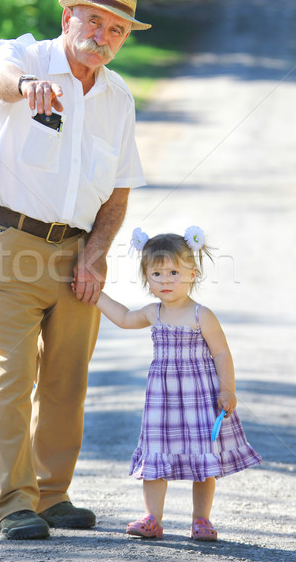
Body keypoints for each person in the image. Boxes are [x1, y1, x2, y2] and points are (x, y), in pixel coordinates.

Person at [0, 0, 151, 540]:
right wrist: (26, 89)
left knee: (68, 381)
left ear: (124, 39)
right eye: (94, 19)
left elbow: (118, 194)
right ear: (68, 16)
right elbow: (1, 78)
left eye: (116, 28)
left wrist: (95, 254)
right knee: (13, 373)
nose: (103, 34)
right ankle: (11, 506)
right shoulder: (23, 57)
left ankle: (51, 495)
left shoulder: (118, 98)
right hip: (9, 242)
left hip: (78, 253)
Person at [90, 226, 262, 541]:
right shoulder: (153, 313)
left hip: (200, 397)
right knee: (155, 456)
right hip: (163, 400)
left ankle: (201, 520)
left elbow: (222, 353)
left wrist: (227, 389)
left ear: (192, 274)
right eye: (157, 274)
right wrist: (95, 293)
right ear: (147, 279)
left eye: (173, 272)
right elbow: (124, 317)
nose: (166, 280)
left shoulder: (201, 315)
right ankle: (152, 518)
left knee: (203, 459)